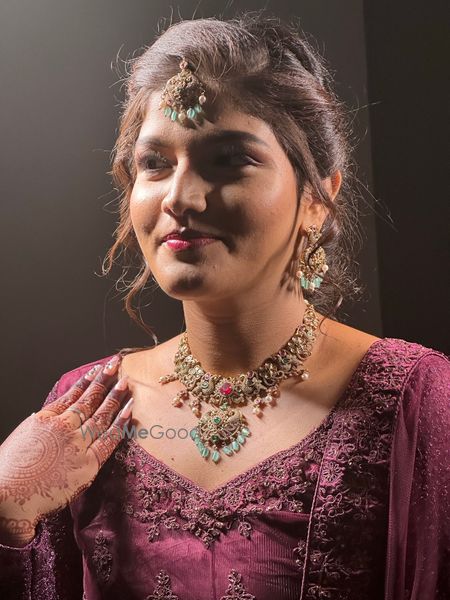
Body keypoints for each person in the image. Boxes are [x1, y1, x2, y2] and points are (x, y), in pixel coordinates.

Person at [0, 13, 448, 600]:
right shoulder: (87, 408)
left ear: (317, 198)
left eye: (230, 159)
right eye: (155, 163)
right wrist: (6, 510)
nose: (180, 198)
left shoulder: (412, 398)